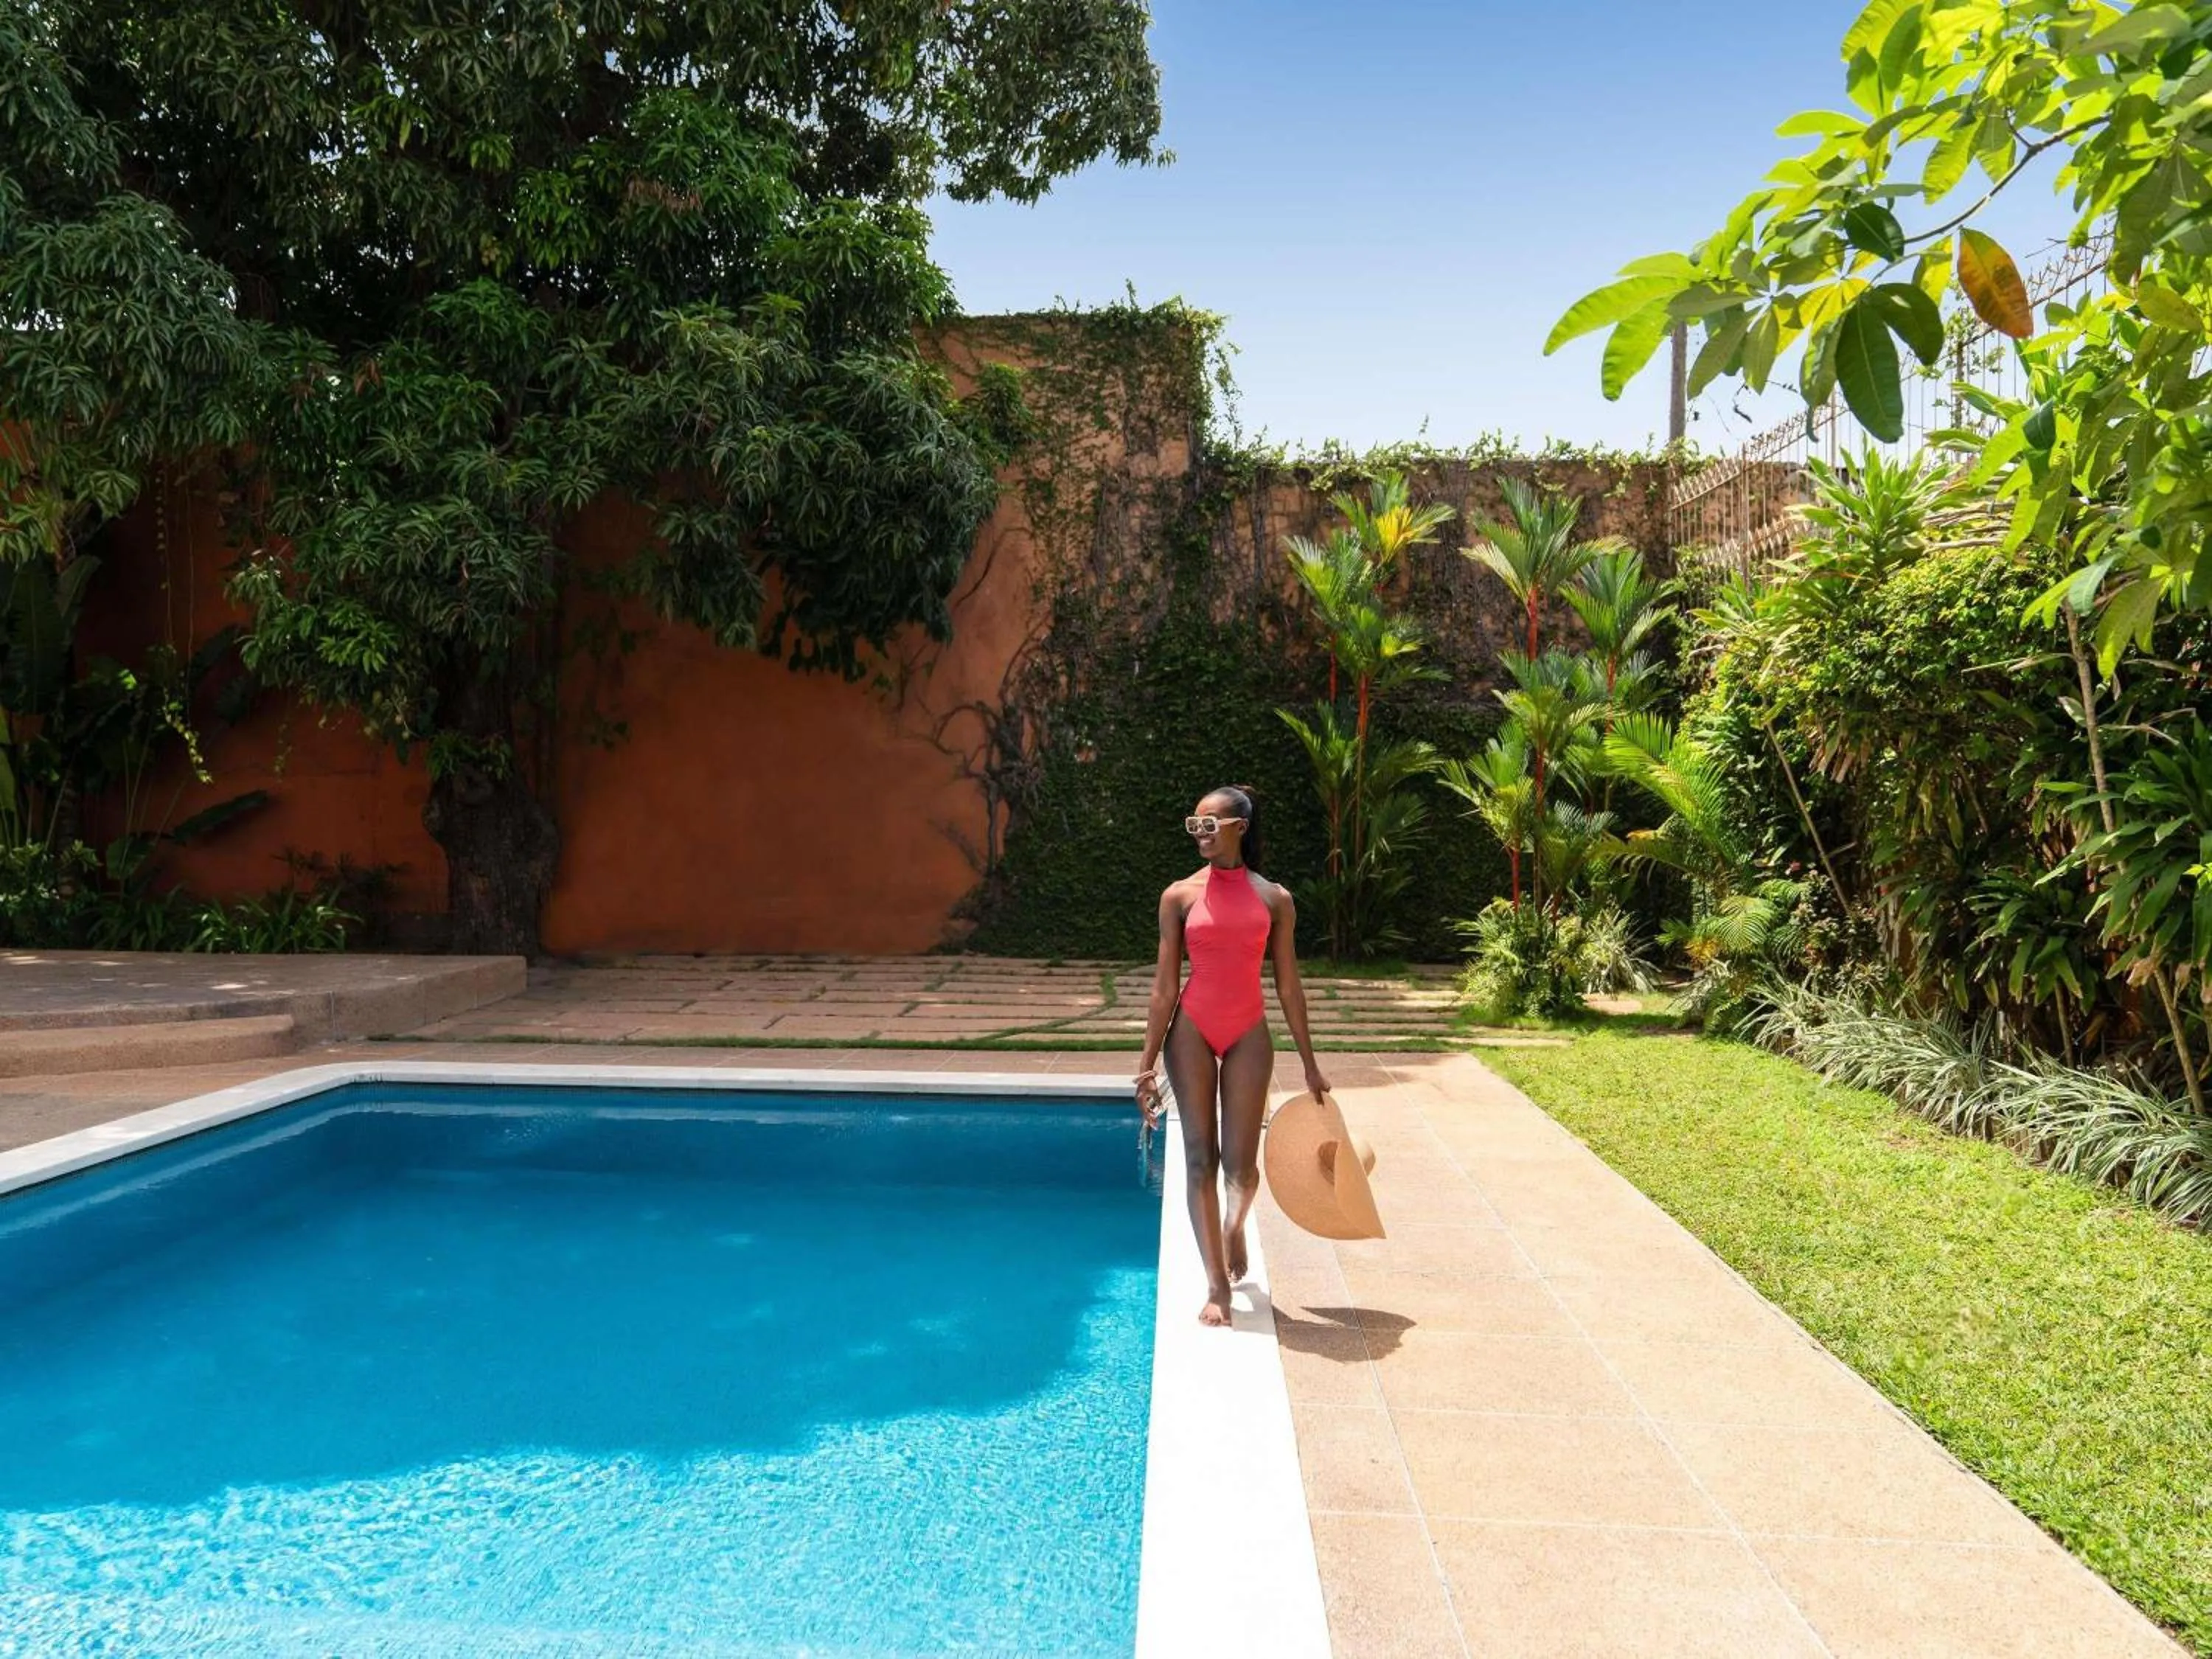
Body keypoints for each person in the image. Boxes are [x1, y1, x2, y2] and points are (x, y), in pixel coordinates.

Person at [1134, 785, 1330, 1326]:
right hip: (1191, 1030)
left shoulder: (1275, 899)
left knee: (1241, 1168)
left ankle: (1235, 1225)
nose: (1201, 835)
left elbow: (1289, 985)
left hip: (1248, 1031)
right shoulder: (1178, 896)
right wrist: (1146, 1065)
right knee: (1201, 1157)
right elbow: (1163, 987)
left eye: (1210, 825)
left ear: (1239, 826)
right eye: (1194, 826)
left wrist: (1310, 1063)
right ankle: (1217, 1284)